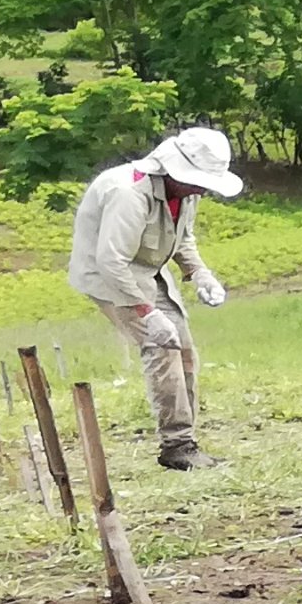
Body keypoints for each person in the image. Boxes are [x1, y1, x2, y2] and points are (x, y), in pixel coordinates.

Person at [66, 126, 239, 470]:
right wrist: (146, 313)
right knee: (163, 349)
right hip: (109, 276)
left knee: (185, 350)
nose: (203, 189)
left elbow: (182, 239)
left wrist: (199, 273)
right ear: (175, 170)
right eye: (199, 180)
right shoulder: (128, 193)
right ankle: (177, 447)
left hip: (146, 268)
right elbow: (111, 262)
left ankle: (186, 439)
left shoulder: (186, 194)